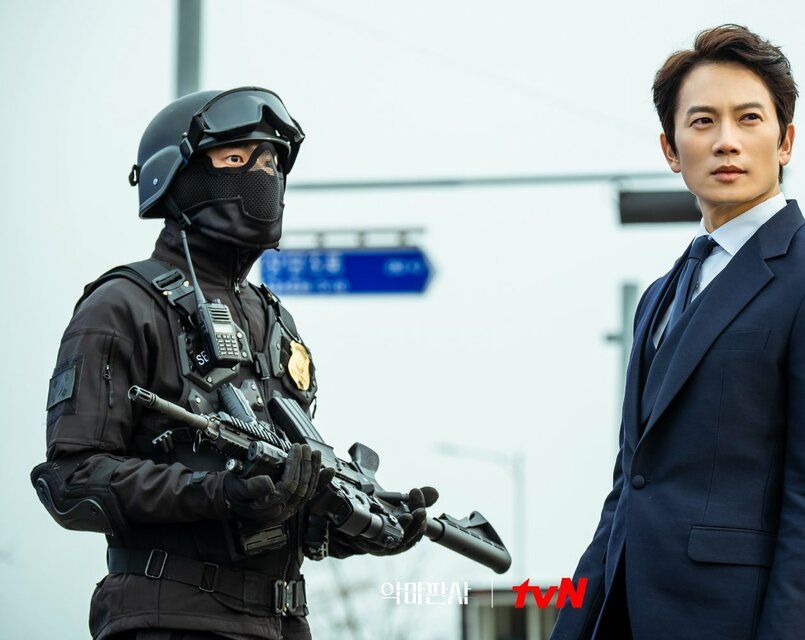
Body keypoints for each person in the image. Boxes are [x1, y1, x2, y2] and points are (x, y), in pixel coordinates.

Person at [30, 87, 437, 640]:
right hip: (169, 619)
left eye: (271, 162)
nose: (262, 175)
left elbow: (286, 504)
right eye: (237, 158)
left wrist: (356, 523)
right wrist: (217, 491)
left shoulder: (274, 322)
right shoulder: (122, 306)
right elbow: (71, 482)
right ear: (180, 175)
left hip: (282, 624)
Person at [551, 24, 804, 640]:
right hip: (629, 612)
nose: (726, 141)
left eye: (748, 118)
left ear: (785, 141)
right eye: (702, 122)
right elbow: (629, 486)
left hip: (735, 618)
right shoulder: (660, 294)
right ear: (670, 149)